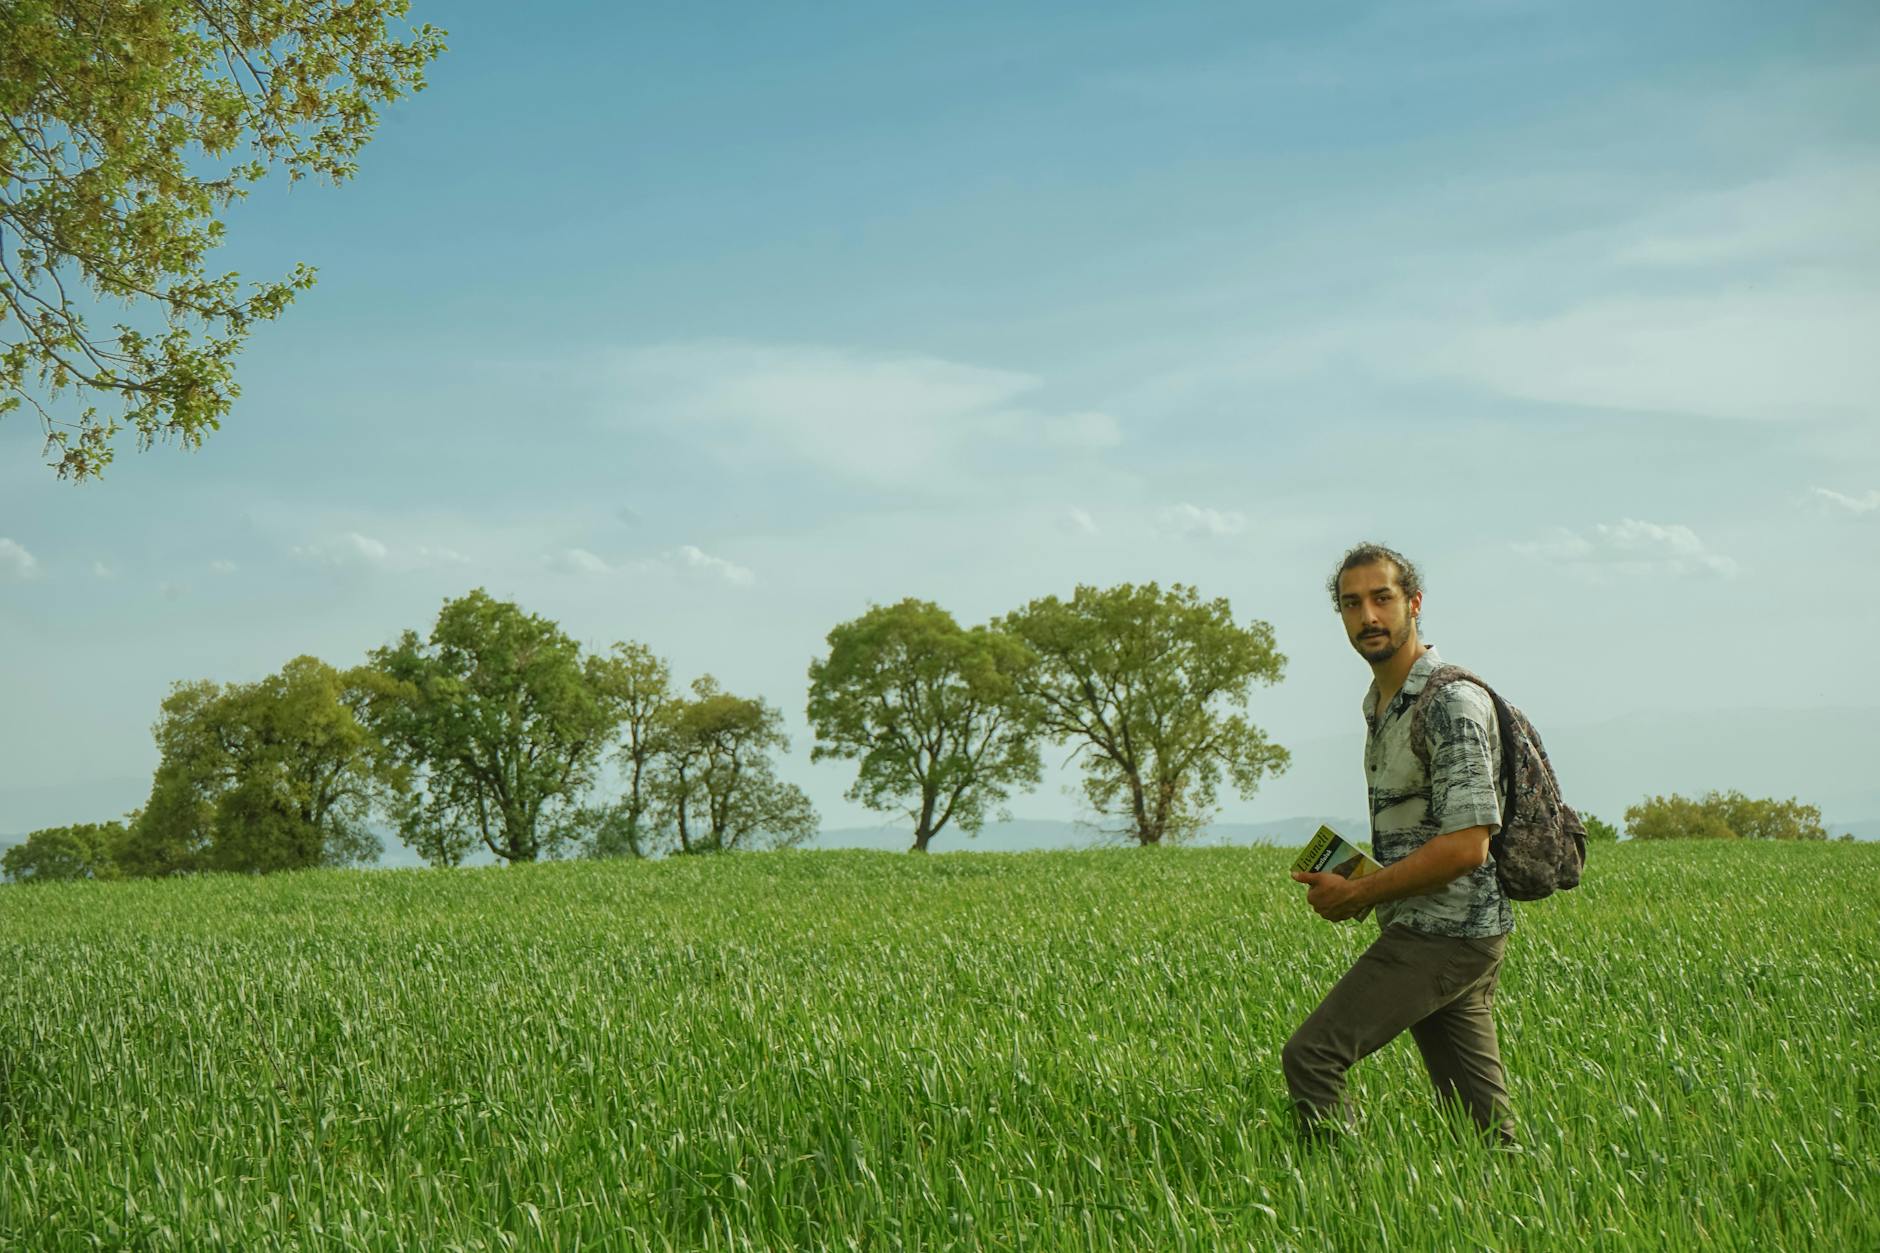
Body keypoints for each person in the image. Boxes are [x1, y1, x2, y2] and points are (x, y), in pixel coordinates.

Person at [1283, 542, 1516, 1146]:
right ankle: (1517, 1204)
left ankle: (1341, 1210)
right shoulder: (1382, 703)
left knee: (1313, 1056)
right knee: (1483, 1129)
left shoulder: (1449, 703)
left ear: (1413, 604)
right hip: (1443, 928)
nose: (1368, 617)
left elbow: (1468, 846)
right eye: (1351, 603)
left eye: (1382, 599)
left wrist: (1360, 891)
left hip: (1445, 931)